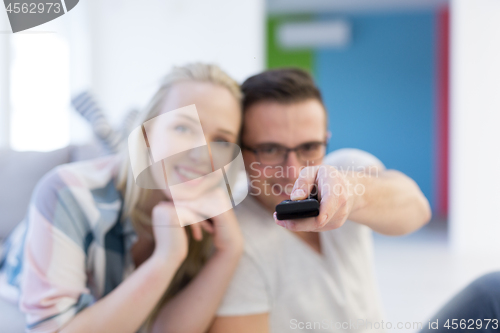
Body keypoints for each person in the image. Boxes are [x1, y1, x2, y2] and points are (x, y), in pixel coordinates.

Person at [0, 63, 245, 333]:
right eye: (184, 129)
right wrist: (166, 258)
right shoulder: (67, 191)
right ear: (147, 134)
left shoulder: (216, 217)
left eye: (222, 141)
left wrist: (228, 253)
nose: (202, 155)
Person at [208, 68, 433, 333]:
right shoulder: (233, 237)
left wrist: (353, 193)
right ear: (240, 152)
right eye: (270, 150)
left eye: (309, 148)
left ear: (326, 141)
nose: (293, 172)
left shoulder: (344, 171)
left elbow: (418, 210)